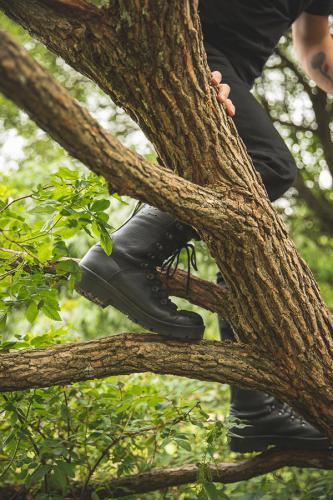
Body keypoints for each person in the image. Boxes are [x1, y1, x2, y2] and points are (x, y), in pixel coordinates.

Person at [76, 0, 333, 452]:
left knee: (249, 232)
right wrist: (181, 59)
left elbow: (313, 43)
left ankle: (254, 409)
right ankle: (122, 255)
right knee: (268, 165)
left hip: (229, 72)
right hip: (190, 50)